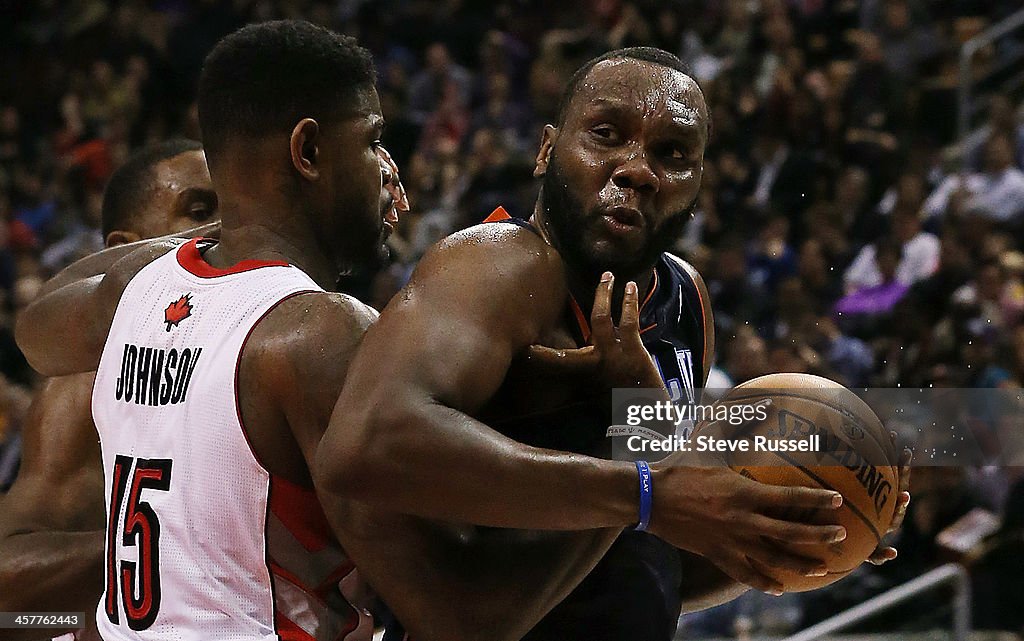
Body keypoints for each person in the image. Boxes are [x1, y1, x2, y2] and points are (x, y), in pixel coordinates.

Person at [317, 48, 909, 641]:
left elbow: (644, 567)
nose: (637, 170)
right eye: (606, 134)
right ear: (547, 150)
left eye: (672, 154)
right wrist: (643, 476)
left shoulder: (684, 297)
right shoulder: (498, 268)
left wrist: (811, 533)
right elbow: (366, 440)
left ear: (698, 184)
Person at [16, 21, 405, 641]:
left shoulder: (168, 308)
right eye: (203, 209)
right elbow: (460, 603)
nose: (227, 218)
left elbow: (34, 329)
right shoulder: (315, 333)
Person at [0, 139, 217, 641]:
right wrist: (155, 547)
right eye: (201, 211)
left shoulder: (283, 333)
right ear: (126, 248)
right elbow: (8, 598)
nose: (230, 227)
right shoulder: (88, 383)